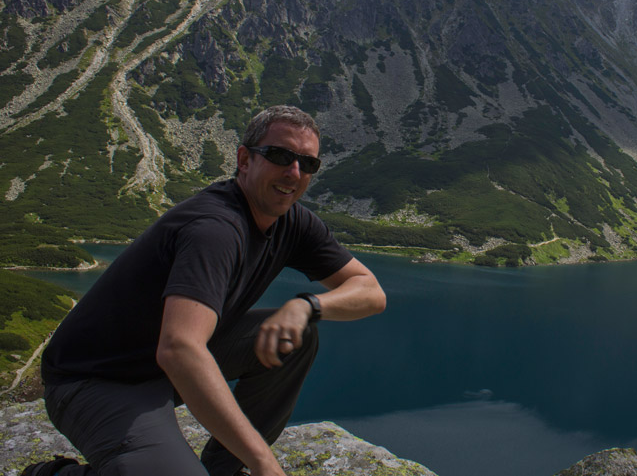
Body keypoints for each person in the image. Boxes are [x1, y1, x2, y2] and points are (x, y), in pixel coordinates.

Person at [25, 105, 386, 476]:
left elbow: (372, 292)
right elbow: (179, 349)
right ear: (244, 159)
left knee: (299, 334)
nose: (294, 173)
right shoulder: (214, 228)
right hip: (99, 379)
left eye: (307, 164)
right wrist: (264, 461)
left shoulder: (293, 222)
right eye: (280, 156)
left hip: (163, 366)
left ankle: (223, 469)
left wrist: (307, 305)